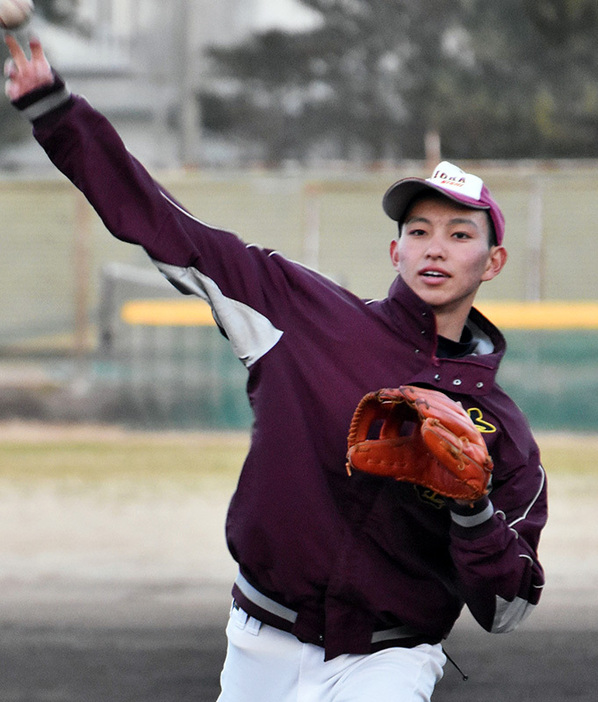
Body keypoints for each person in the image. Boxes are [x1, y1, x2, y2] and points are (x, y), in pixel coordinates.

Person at [4, 35, 547, 702]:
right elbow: (169, 229)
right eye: (419, 230)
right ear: (394, 249)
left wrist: (473, 512)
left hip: (389, 658)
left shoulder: (503, 433)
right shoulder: (302, 313)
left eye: (461, 234)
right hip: (259, 638)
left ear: (491, 263)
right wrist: (55, 111)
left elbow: (507, 609)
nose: (436, 248)